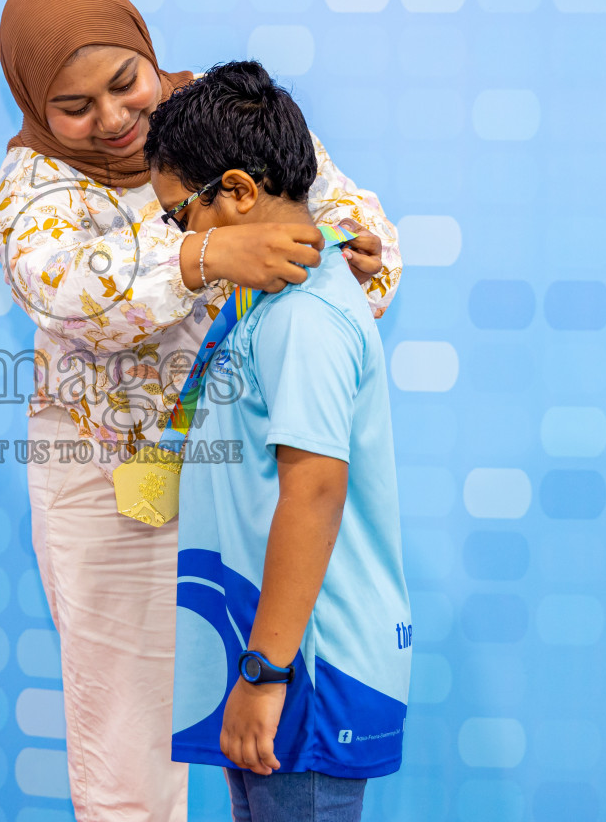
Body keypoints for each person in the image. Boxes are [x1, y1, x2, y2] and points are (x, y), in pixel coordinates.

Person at [0, 0, 402, 822]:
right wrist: (202, 256)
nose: (111, 119)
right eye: (73, 106)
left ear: (148, 52)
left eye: (124, 81)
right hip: (110, 477)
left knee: (256, 715)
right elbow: (60, 286)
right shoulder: (33, 184)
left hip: (243, 468)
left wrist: (364, 252)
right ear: (35, 104)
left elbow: (334, 201)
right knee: (129, 735)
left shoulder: (210, 125)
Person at [143, 61, 410, 822]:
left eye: (178, 216)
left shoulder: (301, 317)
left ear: (236, 191)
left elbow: (316, 491)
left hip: (303, 668)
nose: (180, 240)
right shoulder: (267, 305)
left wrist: (265, 673)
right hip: (277, 652)